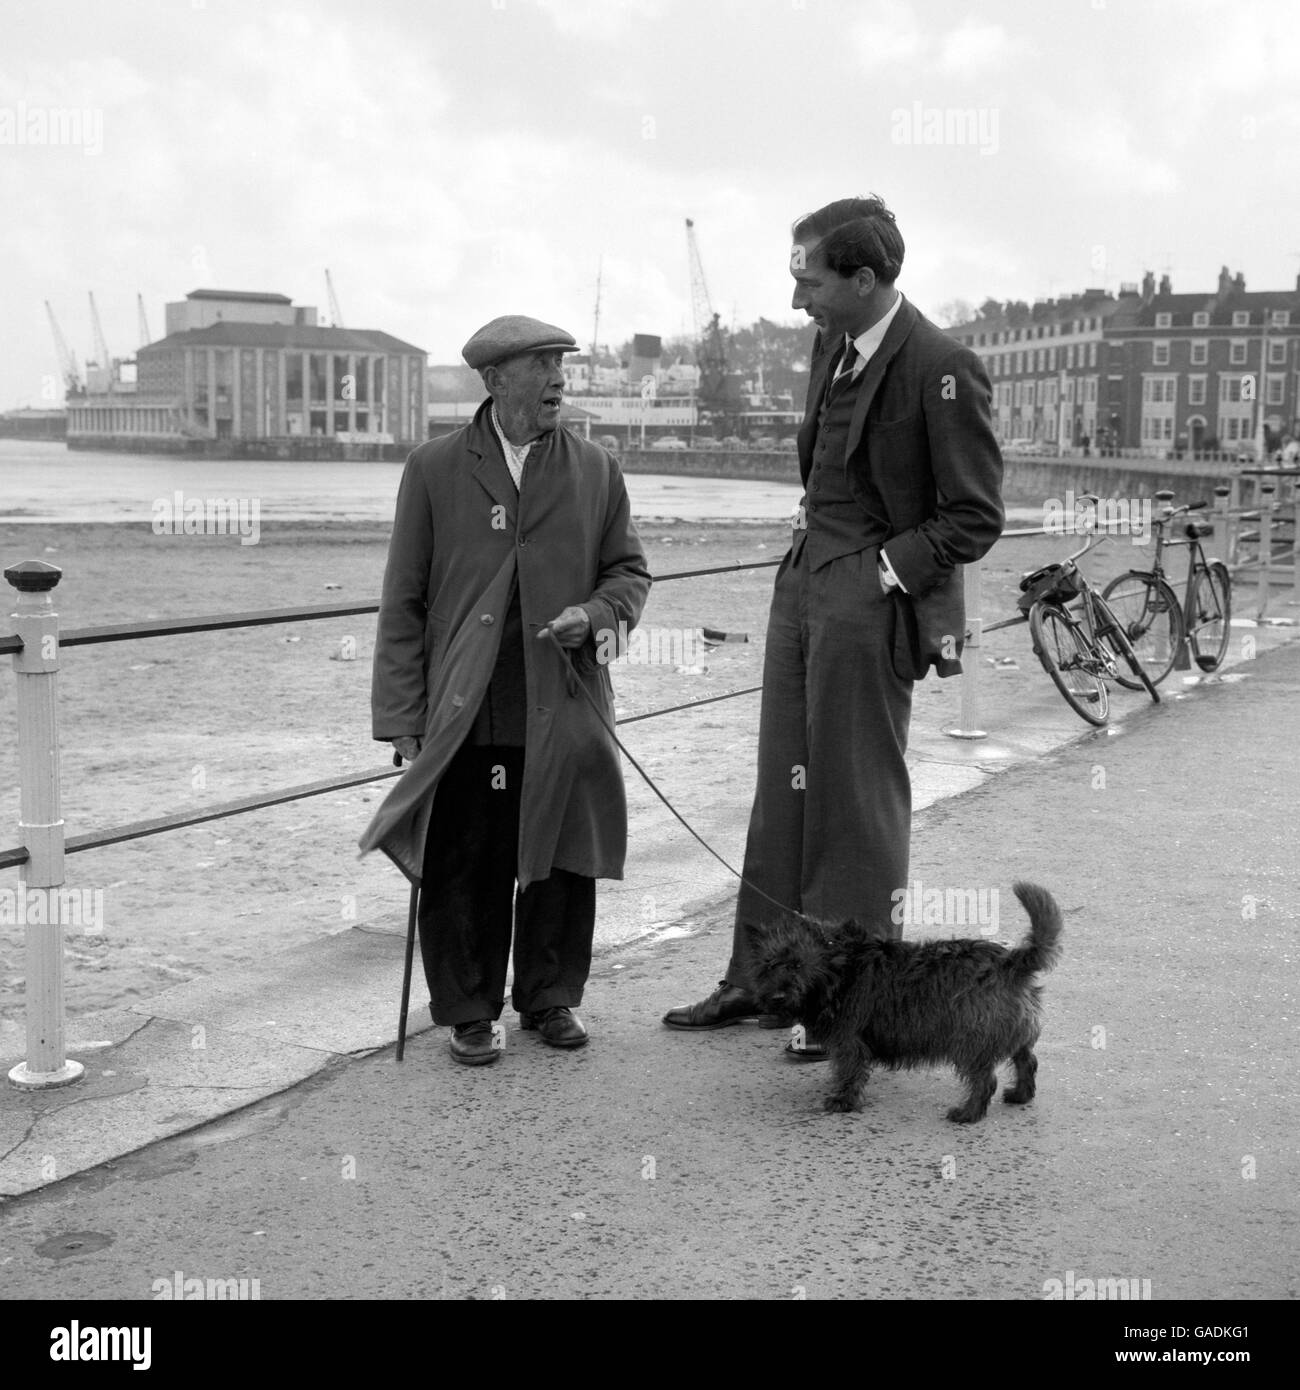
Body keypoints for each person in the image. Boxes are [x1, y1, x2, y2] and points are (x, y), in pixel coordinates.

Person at [662, 197, 1004, 1055]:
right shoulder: (830, 342)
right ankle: (760, 980)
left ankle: (842, 1005)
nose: (795, 302)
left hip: (868, 597)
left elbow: (974, 515)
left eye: (808, 281)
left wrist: (885, 574)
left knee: (853, 806)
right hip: (801, 586)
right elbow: (829, 461)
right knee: (784, 793)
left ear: (863, 278)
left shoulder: (942, 365)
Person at [361, 315, 650, 1066]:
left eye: (561, 364)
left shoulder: (597, 468)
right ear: (494, 381)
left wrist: (595, 617)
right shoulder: (433, 468)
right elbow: (405, 601)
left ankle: (549, 998)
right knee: (467, 857)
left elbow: (630, 574)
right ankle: (468, 1009)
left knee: (559, 853)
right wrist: (400, 716)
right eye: (542, 365)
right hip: (467, 706)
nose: (559, 379)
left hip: (563, 697)